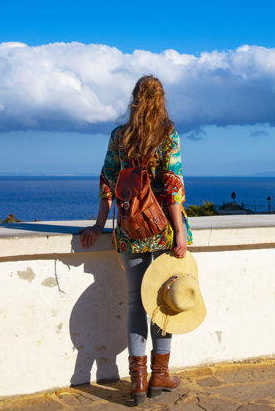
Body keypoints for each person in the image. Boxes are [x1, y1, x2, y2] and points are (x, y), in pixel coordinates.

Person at [79, 75, 192, 405]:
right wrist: (180, 234)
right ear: (161, 101)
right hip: (163, 231)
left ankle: (137, 382)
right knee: (165, 301)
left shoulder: (119, 137)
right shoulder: (167, 135)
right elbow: (173, 186)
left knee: (135, 302)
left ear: (134, 99)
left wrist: (99, 224)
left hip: (129, 229)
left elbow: (107, 182)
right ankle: (160, 375)